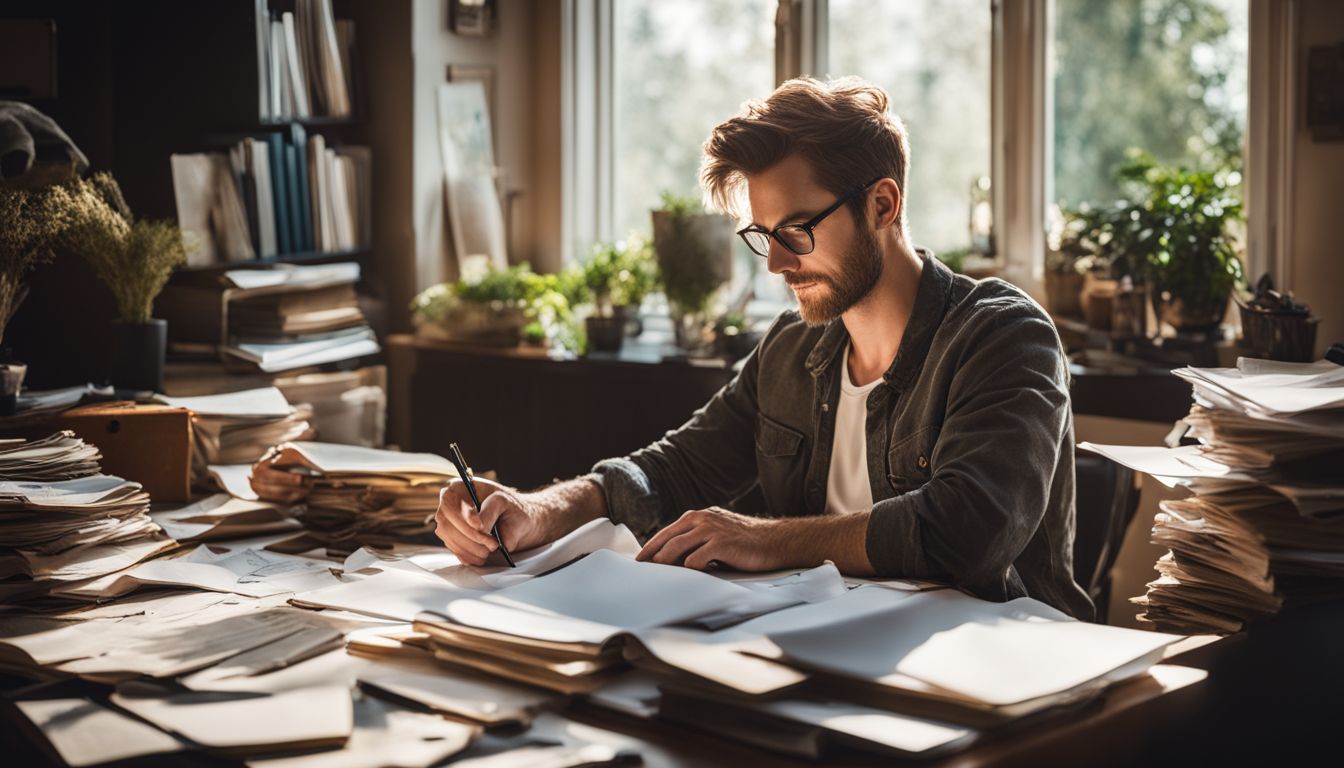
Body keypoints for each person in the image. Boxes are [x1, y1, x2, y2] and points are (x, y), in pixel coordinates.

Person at [252, 76, 1094, 621]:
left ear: (882, 203)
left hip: (1007, 675)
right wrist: (545, 509)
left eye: (797, 230)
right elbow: (678, 465)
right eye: (762, 235)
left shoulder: (1002, 336)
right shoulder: (794, 353)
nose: (778, 264)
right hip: (845, 668)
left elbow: (968, 532)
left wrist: (768, 538)